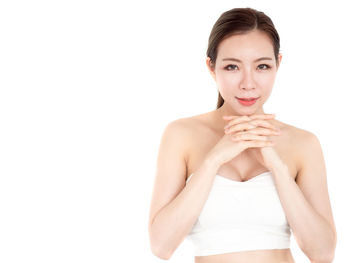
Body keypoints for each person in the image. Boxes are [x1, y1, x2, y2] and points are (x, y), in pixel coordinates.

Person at [148, 7, 337, 263]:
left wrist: (277, 167)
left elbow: (323, 253)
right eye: (232, 67)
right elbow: (161, 246)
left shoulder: (304, 144)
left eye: (262, 66)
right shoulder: (181, 135)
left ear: (277, 64)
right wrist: (214, 160)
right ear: (211, 67)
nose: (248, 83)